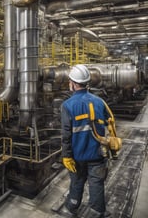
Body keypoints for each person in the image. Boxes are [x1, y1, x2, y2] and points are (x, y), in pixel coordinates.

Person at [60, 64, 111, 218]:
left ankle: (72, 207)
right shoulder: (99, 102)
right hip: (97, 154)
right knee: (96, 184)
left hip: (77, 155)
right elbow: (109, 123)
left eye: (70, 81)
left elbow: (66, 135)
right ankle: (97, 211)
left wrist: (66, 156)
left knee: (76, 182)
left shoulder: (67, 106)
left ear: (74, 84)